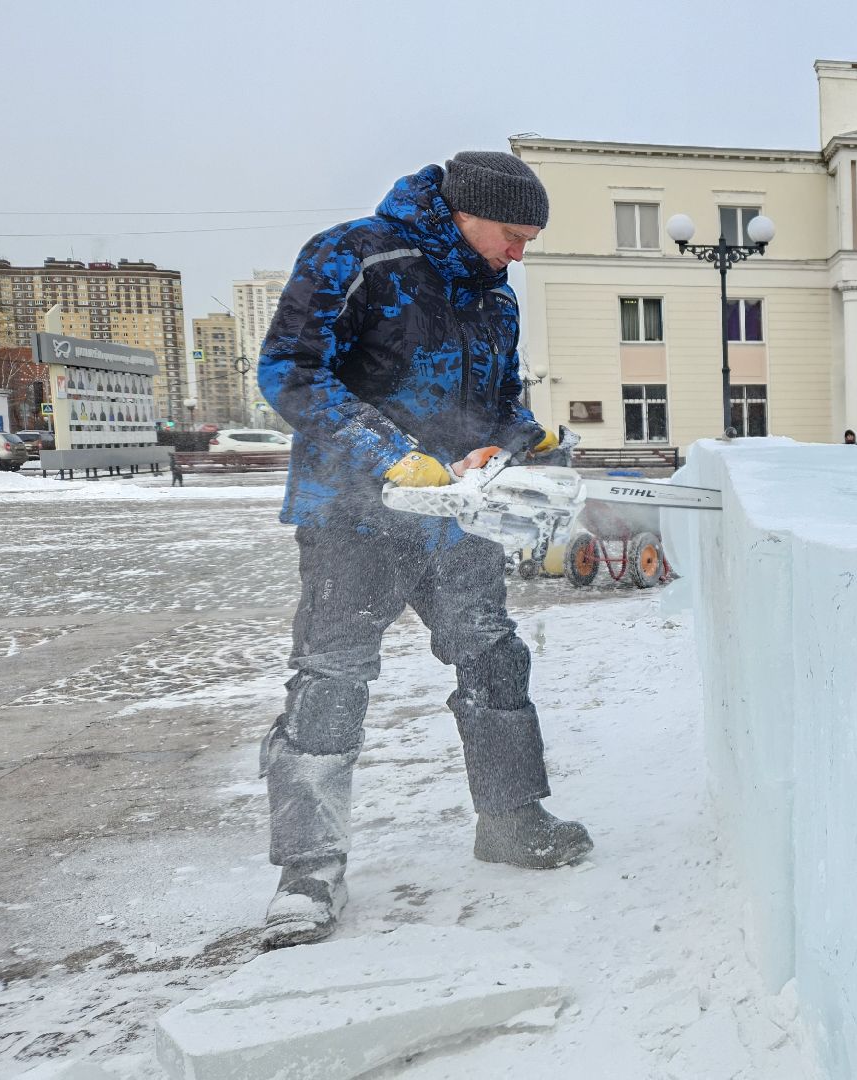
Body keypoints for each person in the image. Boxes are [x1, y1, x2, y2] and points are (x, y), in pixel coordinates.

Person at [255, 151, 591, 948]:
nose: (520, 254)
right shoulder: (357, 255)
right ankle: (308, 869)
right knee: (332, 677)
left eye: (529, 240)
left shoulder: (495, 299)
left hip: (457, 516)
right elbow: (289, 370)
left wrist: (520, 435)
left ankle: (511, 819)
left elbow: (495, 401)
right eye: (513, 235)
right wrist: (388, 452)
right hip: (353, 515)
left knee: (494, 657)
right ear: (465, 212)